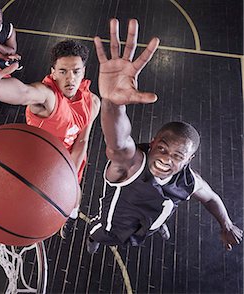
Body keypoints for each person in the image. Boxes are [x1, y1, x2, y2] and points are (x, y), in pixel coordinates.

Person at [86, 18, 243, 254]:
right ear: (152, 143)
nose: (166, 158)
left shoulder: (191, 181)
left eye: (178, 155)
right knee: (101, 233)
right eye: (163, 148)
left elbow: (211, 199)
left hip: (150, 220)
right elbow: (117, 142)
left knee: (161, 212)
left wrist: (226, 224)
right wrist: (112, 104)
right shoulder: (130, 163)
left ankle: (157, 223)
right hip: (115, 223)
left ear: (189, 160)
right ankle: (95, 239)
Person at [0, 39, 101, 239]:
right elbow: (25, 92)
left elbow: (83, 140)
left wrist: (69, 177)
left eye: (76, 71)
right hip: (37, 165)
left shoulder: (92, 101)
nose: (70, 78)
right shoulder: (48, 97)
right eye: (63, 71)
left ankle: (70, 216)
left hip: (69, 162)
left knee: (74, 199)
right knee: (29, 210)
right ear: (53, 72)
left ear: (84, 71)